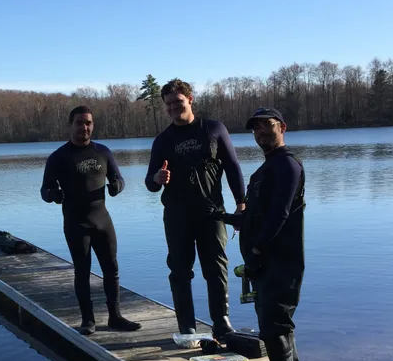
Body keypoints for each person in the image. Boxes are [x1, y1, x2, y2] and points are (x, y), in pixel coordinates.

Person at [216, 107, 305, 361]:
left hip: (282, 262)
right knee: (274, 325)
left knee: (276, 326)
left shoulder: (288, 166)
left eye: (267, 126)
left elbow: (279, 215)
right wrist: (222, 216)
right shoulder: (266, 169)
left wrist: (256, 248)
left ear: (283, 127)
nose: (261, 133)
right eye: (256, 129)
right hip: (263, 262)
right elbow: (254, 217)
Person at [144, 79, 246, 339]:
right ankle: (186, 325)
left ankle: (221, 322)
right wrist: (157, 179)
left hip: (212, 213)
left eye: (177, 102)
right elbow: (150, 183)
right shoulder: (162, 140)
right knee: (180, 270)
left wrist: (241, 203)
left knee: (216, 267)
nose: (173, 108)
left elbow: (233, 166)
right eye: (168, 105)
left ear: (190, 100)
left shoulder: (214, 129)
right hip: (177, 215)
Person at [41, 106, 142, 336]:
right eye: (79, 123)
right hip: (76, 224)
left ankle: (115, 317)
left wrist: (117, 186)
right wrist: (53, 195)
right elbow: (44, 190)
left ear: (92, 125)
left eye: (88, 123)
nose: (84, 127)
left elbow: (119, 179)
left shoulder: (103, 152)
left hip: (102, 220)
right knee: (82, 271)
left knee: (112, 269)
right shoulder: (58, 157)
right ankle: (88, 320)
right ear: (71, 125)